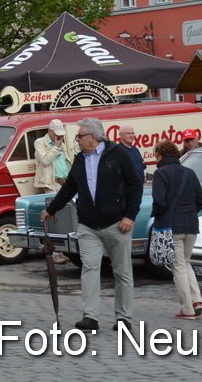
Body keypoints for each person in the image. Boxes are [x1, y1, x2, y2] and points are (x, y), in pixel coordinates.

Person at [41, 116, 141, 332]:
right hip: (88, 225)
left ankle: (123, 317)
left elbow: (135, 184)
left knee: (122, 272)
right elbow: (69, 188)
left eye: (80, 136)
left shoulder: (118, 154)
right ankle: (90, 317)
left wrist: (130, 215)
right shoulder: (80, 159)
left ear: (93, 137)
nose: (76, 140)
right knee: (89, 268)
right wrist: (51, 210)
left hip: (117, 223)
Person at [150, 139, 202, 320]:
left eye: (156, 155)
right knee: (186, 263)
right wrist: (190, 212)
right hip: (192, 224)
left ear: (160, 155)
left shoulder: (160, 174)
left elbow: (159, 201)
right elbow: (201, 200)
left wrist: (159, 215)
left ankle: (187, 309)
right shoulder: (189, 173)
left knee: (178, 267)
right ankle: (196, 300)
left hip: (172, 226)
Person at [32, 126, 62, 192]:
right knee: (54, 202)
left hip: (65, 182)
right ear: (49, 131)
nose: (59, 135)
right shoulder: (39, 142)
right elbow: (45, 161)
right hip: (52, 184)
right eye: (56, 133)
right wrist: (56, 147)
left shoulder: (62, 144)